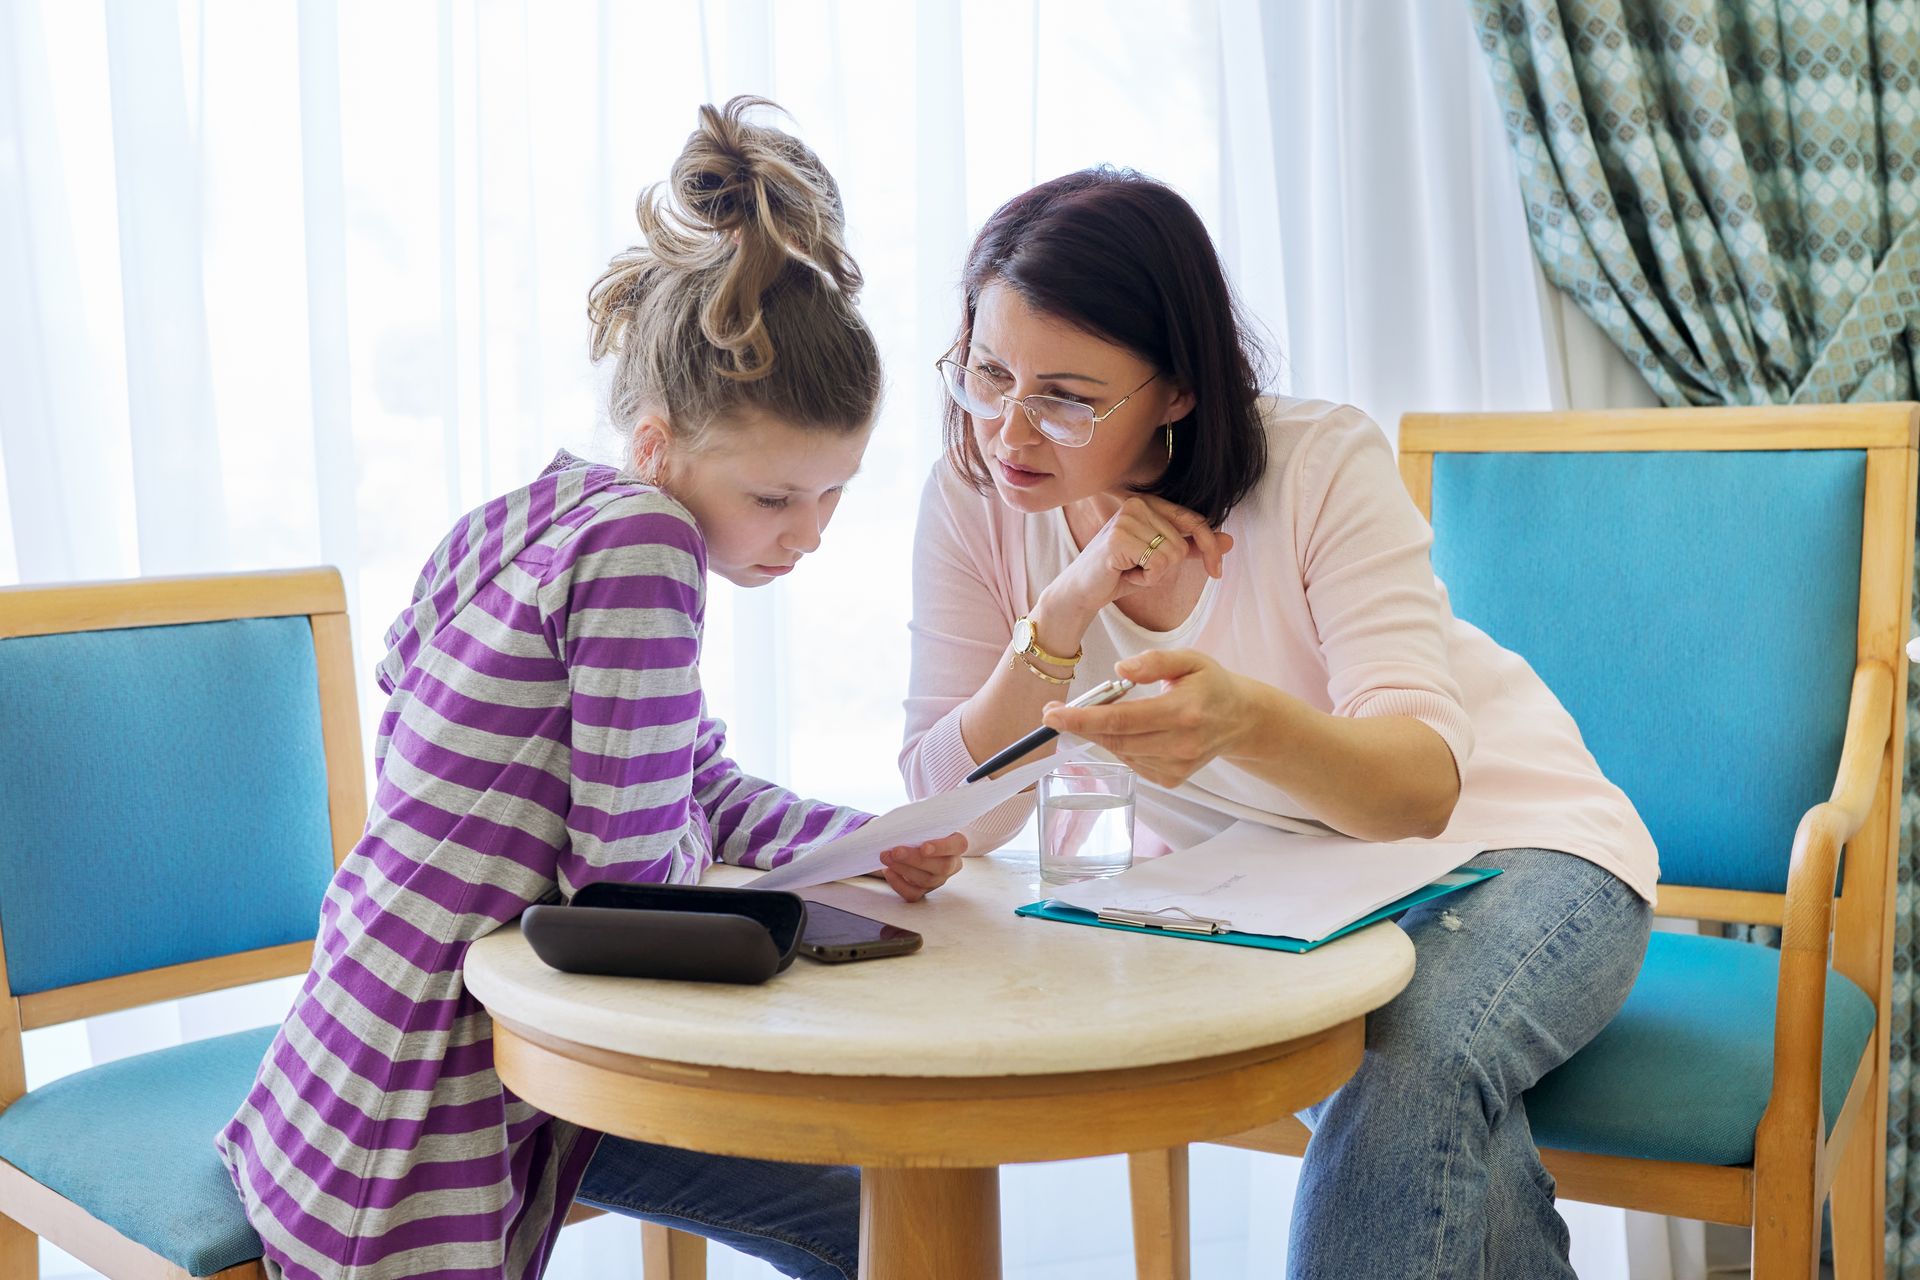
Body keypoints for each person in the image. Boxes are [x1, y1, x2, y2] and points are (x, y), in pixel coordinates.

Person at [217, 98, 961, 1280]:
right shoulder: (644, 551)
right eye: (776, 498)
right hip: (437, 1099)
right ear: (660, 445)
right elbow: (627, 880)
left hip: (337, 1062)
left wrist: (859, 838)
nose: (808, 534)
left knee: (847, 1194)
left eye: (834, 494)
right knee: (871, 1215)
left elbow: (685, 782)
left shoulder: (531, 518)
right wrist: (746, 876)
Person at [901, 166, 1657, 1279]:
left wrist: (1244, 722)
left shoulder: (1317, 463)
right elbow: (944, 814)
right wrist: (1063, 610)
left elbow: (1421, 785)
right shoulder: (977, 495)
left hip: (1527, 846)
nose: (1009, 426)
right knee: (1450, 1152)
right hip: (1302, 881)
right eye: (987, 370)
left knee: (1399, 1052)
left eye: (1066, 395)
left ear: (1175, 392)